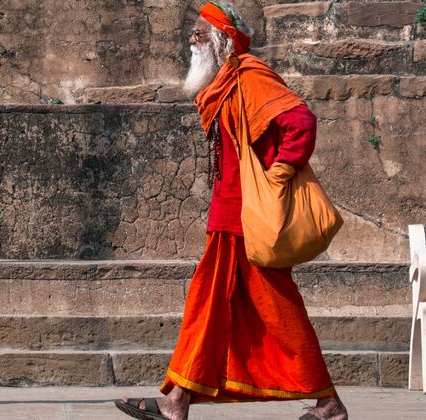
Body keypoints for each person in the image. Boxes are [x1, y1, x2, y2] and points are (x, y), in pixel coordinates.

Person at [115, 3, 348, 420]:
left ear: (223, 39)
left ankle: (328, 404)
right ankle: (178, 400)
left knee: (277, 308)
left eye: (200, 34)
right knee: (208, 305)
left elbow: (301, 121)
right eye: (192, 33)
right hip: (230, 214)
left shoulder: (250, 76)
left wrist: (281, 171)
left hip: (253, 216)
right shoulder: (224, 82)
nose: (191, 40)